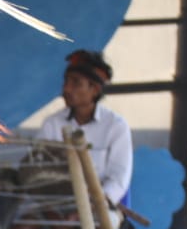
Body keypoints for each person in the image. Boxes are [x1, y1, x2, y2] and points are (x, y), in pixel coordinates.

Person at [39, 49, 133, 211]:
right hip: (55, 206)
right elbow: (39, 168)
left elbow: (118, 179)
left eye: (76, 83)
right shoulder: (52, 123)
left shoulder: (116, 126)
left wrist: (96, 203)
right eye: (66, 81)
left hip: (99, 207)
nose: (67, 89)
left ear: (95, 90)